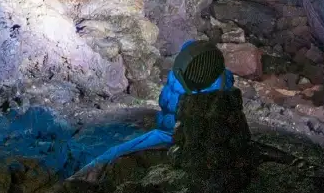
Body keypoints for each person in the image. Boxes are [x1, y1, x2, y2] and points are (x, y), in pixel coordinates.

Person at [78, 39, 235, 176]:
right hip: (171, 125)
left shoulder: (203, 93)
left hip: (172, 133)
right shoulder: (203, 76)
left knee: (116, 153)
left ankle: (88, 173)